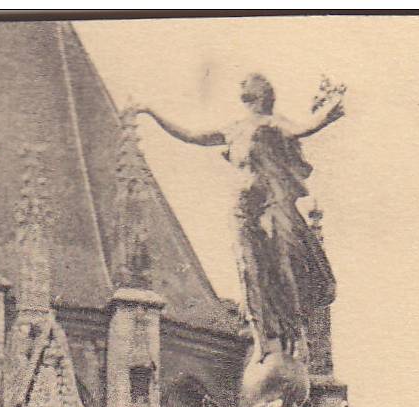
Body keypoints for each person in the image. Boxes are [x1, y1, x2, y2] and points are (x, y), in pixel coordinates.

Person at [136, 75, 344, 363]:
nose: (241, 84)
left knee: (282, 268)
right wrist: (152, 111)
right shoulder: (234, 129)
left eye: (247, 83)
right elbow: (191, 135)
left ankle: (296, 336)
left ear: (260, 95)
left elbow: (304, 128)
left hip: (271, 203)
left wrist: (329, 113)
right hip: (243, 208)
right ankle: (261, 337)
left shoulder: (273, 123)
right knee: (249, 271)